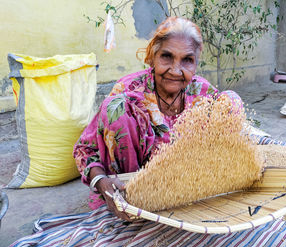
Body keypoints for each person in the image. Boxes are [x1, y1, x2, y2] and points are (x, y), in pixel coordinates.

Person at [73, 17, 242, 221]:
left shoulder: (202, 92)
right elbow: (85, 149)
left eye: (187, 60)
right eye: (167, 57)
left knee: (230, 101)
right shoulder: (128, 89)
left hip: (184, 190)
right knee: (116, 108)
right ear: (152, 57)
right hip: (132, 189)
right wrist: (101, 181)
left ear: (196, 64)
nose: (175, 70)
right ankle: (132, 201)